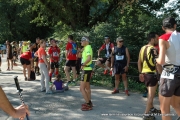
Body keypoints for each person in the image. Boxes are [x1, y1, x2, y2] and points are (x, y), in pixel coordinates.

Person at [156, 17, 180, 120]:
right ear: (175, 26)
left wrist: (155, 58)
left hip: (169, 73)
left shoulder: (163, 38)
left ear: (163, 27)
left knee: (164, 109)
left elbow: (161, 61)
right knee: (176, 104)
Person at [138, 32, 161, 120]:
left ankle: (151, 109)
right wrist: (161, 73)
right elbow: (157, 63)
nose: (157, 40)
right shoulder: (153, 49)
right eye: (156, 38)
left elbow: (139, 62)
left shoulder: (142, 48)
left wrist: (140, 73)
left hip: (145, 74)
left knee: (149, 94)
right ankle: (146, 114)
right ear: (152, 39)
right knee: (151, 96)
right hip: (152, 75)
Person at [80, 36, 93, 111]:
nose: (81, 42)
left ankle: (88, 104)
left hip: (86, 69)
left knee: (81, 88)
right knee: (87, 88)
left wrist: (83, 64)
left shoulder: (87, 47)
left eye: (82, 40)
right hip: (87, 69)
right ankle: (89, 102)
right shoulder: (86, 48)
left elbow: (89, 58)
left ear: (86, 41)